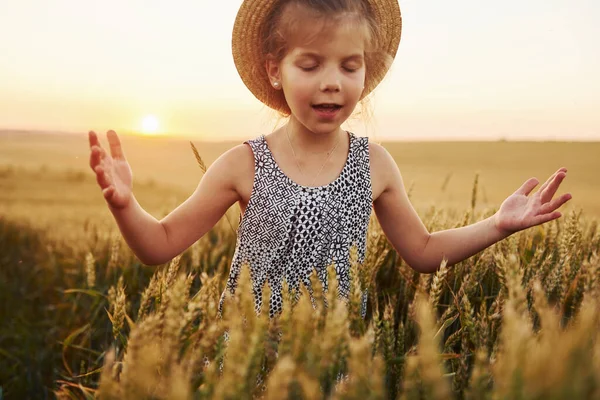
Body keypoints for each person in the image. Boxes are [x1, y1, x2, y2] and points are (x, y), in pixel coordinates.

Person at [88, 0, 572, 321]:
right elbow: (159, 246)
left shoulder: (375, 166)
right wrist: (125, 204)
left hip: (334, 364)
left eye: (349, 65)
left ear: (367, 72)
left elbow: (423, 252)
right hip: (247, 361)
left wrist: (499, 224)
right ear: (275, 71)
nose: (332, 81)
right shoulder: (244, 165)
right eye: (310, 64)